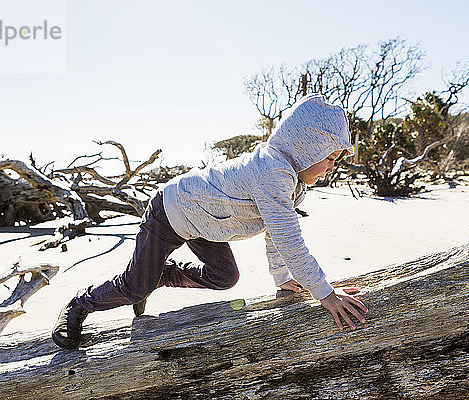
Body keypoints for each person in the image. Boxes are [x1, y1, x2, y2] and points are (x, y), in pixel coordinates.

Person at [52, 93, 368, 350]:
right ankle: (79, 305)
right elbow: (290, 242)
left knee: (225, 276)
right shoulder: (273, 172)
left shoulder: (294, 184)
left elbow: (276, 235)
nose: (330, 168)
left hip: (205, 224)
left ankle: (161, 275)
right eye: (331, 157)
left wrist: (282, 277)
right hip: (170, 213)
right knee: (135, 287)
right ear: (308, 147)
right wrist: (325, 294)